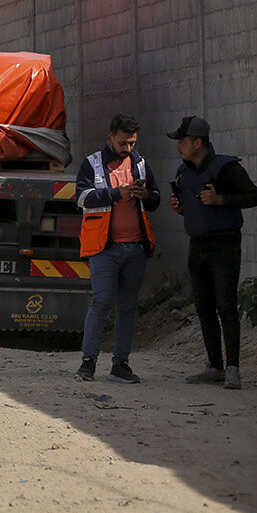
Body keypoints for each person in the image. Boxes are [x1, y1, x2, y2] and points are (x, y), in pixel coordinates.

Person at [167, 116, 257, 391]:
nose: (178, 147)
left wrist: (222, 200)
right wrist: (180, 207)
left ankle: (233, 369)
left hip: (224, 245)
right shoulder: (183, 172)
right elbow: (192, 206)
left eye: (182, 142)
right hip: (197, 246)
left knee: (226, 307)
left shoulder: (226, 168)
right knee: (204, 307)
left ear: (198, 142)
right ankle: (214, 366)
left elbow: (254, 196)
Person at [73, 113, 159, 384]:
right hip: (104, 248)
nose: (128, 148)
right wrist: (115, 193)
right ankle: (88, 364)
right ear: (110, 138)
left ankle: (120, 365)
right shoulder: (92, 164)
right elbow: (82, 198)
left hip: (135, 247)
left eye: (132, 142)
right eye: (123, 142)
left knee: (128, 308)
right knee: (100, 303)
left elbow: (155, 199)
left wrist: (146, 195)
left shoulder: (140, 164)